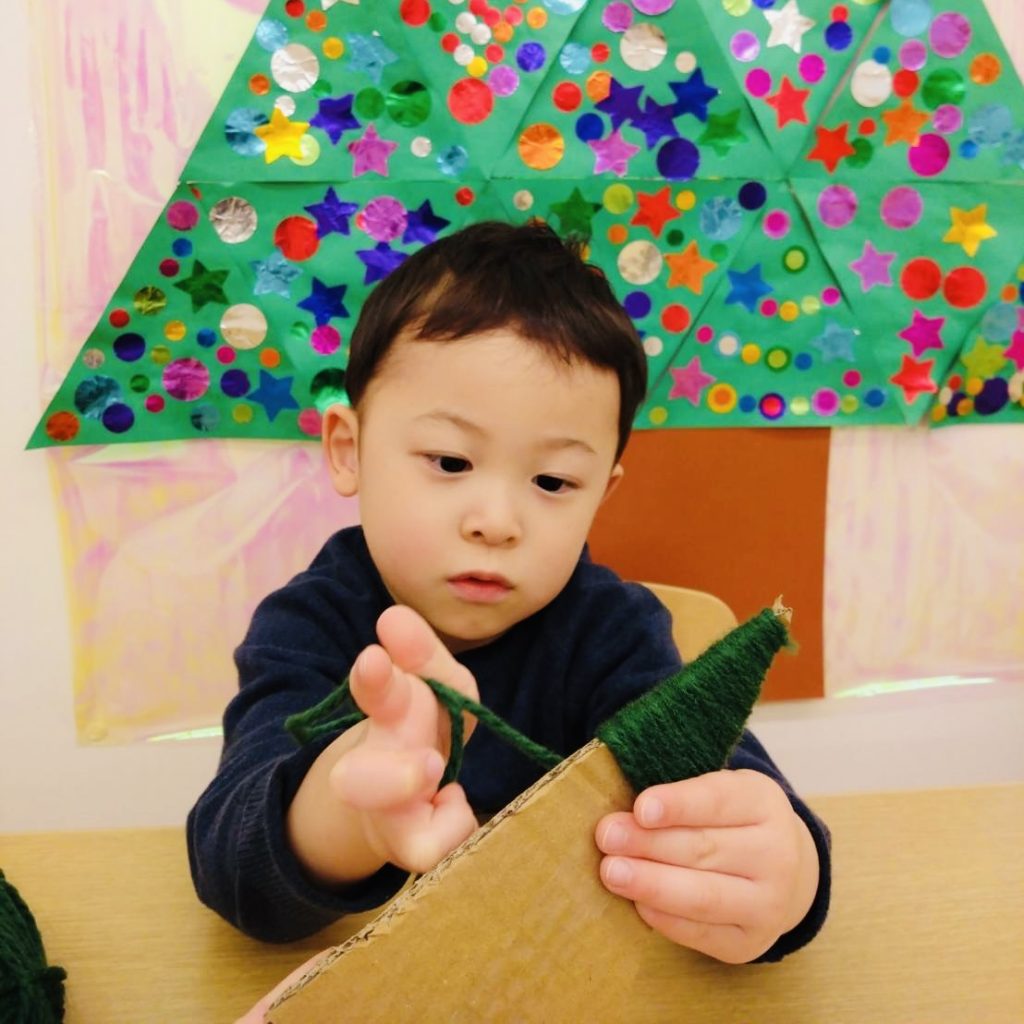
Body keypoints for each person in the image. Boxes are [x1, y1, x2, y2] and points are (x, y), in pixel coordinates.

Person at [187, 219, 830, 967]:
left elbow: (732, 788)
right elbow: (232, 871)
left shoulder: (613, 632)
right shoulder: (310, 622)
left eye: (552, 481)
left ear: (601, 494)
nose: (496, 522)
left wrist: (788, 879)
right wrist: (351, 817)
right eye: (450, 461)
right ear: (349, 449)